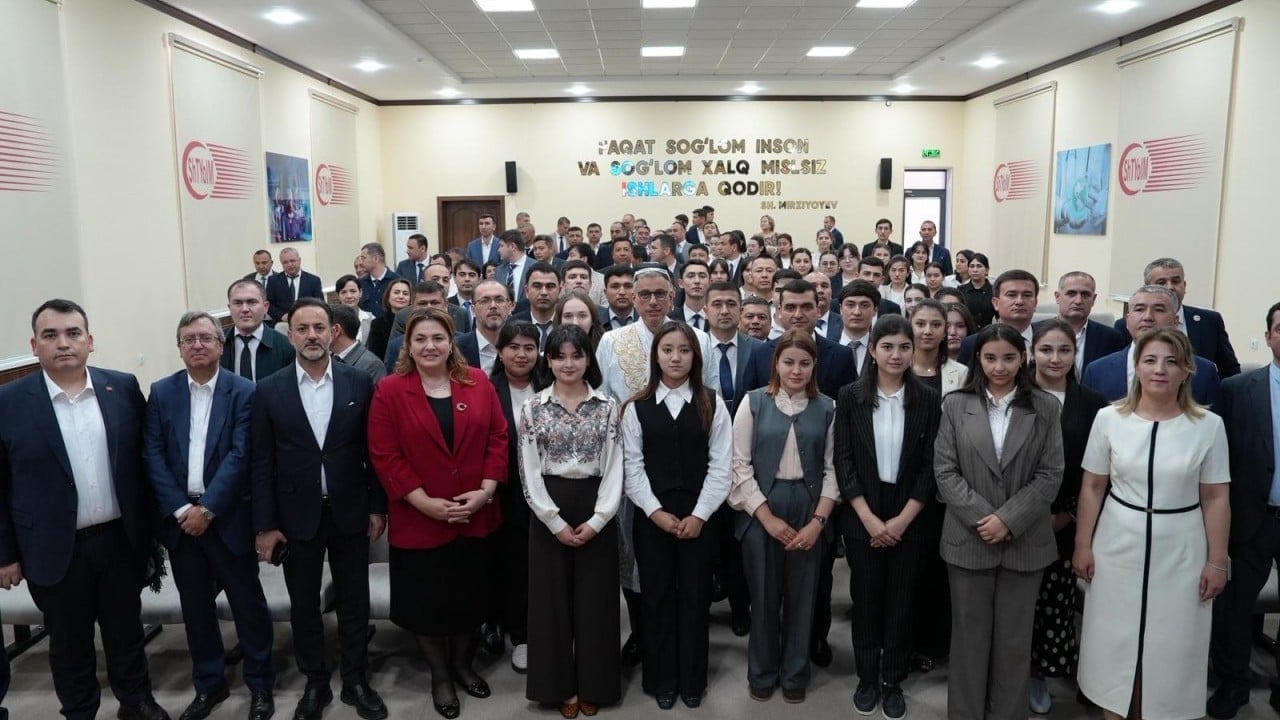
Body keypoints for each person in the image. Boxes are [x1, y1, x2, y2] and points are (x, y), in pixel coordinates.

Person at [0, 299, 168, 720]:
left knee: (126, 631)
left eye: (73, 333)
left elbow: (142, 466)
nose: (63, 343)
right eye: (50, 335)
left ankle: (136, 701)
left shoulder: (122, 388)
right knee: (69, 641)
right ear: (34, 345)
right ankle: (79, 711)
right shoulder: (9, 402)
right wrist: (5, 554)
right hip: (53, 548)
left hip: (119, 541)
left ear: (90, 341)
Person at [1074, 327, 1230, 720]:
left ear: (1186, 370)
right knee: (1113, 645)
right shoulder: (1109, 419)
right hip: (1117, 543)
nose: (1160, 369)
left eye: (1171, 361)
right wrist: (1082, 545)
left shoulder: (1208, 426)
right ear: (1136, 367)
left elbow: (1216, 497)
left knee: (1171, 646)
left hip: (1181, 548)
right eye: (1150, 360)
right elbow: (1093, 486)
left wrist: (1217, 561)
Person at [250, 298, 389, 720]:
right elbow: (261, 462)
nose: (312, 335)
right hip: (296, 516)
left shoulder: (358, 383)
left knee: (354, 600)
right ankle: (315, 682)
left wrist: (377, 506)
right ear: (290, 335)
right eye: (303, 328)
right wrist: (265, 525)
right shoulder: (268, 389)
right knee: (305, 604)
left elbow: (372, 451)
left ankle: (356, 679)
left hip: (350, 510)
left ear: (333, 332)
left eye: (319, 328)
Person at [367, 307, 507, 719]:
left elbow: (498, 438)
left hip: (475, 513)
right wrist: (423, 502)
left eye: (438, 338)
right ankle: (440, 675)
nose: (430, 346)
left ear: (452, 343)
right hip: (420, 519)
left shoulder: (477, 382)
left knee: (469, 599)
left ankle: (463, 664)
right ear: (408, 346)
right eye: (421, 339)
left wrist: (486, 491)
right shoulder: (390, 390)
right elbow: (384, 454)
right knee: (427, 605)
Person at [142, 312, 274, 720]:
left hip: (229, 517)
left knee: (247, 606)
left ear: (221, 344)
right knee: (196, 609)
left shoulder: (245, 391)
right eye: (189, 339)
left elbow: (241, 454)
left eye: (205, 338)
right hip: (182, 523)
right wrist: (184, 510)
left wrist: (208, 508)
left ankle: (260, 685)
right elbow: (153, 454)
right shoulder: (161, 392)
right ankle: (209, 685)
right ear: (179, 347)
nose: (197, 345)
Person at [933, 323, 1065, 720]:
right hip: (968, 537)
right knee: (969, 639)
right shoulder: (955, 404)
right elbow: (945, 471)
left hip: (1025, 539)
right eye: (990, 358)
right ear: (978, 359)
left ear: (1023, 358)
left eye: (1009, 357)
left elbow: (1050, 474)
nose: (1000, 366)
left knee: (1014, 641)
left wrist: (1008, 520)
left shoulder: (1045, 406)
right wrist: (983, 518)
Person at [834, 315, 941, 719]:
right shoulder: (850, 396)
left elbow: (931, 466)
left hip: (910, 514)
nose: (896, 355)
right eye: (888, 347)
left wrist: (902, 520)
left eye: (904, 347)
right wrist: (868, 519)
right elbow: (843, 460)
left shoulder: (927, 398)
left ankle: (892, 680)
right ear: (873, 351)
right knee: (866, 600)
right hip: (862, 512)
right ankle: (867, 677)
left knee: (901, 601)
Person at [621, 322, 732, 709]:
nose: (675, 357)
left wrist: (700, 515)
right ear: (655, 356)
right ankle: (661, 679)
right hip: (653, 518)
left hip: (700, 517)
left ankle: (692, 680)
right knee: (657, 597)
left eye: (684, 351)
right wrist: (655, 512)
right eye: (667, 350)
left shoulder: (711, 403)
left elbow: (721, 467)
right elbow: (631, 468)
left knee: (695, 597)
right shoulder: (636, 407)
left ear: (695, 358)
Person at [520, 325, 625, 718]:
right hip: (549, 507)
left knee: (597, 602)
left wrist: (600, 519)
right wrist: (553, 521)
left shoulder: (608, 406)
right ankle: (558, 687)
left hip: (597, 506)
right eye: (559, 356)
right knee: (550, 604)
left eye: (576, 355)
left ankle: (596, 684)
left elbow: (615, 466)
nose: (568, 363)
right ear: (548, 361)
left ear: (588, 359)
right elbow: (528, 470)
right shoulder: (533, 407)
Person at [730, 330, 838, 703]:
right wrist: (766, 517)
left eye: (804, 363)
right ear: (776, 363)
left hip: (809, 507)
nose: (796, 370)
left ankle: (794, 673)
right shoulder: (753, 403)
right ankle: (761, 671)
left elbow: (833, 470)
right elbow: (739, 465)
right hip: (762, 504)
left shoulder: (828, 407)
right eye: (789, 362)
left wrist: (818, 522)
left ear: (814, 366)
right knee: (762, 596)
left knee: (802, 597)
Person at [1025, 319, 1108, 714]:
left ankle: (1039, 673)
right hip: (1016, 519)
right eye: (1046, 350)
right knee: (1017, 604)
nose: (1054, 358)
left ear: (1076, 354)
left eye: (1064, 350)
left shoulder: (1092, 403)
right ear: (1032, 352)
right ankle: (1011, 672)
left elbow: (1097, 469)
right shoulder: (1015, 394)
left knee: (1052, 603)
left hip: (1064, 521)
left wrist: (1066, 514)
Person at [1208, 301, 1280, 719]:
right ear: (1268, 336)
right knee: (1234, 610)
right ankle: (1233, 685)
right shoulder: (1237, 390)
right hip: (1252, 517)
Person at [487, 322, 545, 675]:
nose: (521, 355)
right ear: (500, 351)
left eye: (529, 347)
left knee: (542, 568)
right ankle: (517, 634)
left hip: (547, 492)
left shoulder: (551, 384)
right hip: (502, 494)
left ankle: (539, 632)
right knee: (511, 567)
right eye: (513, 347)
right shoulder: (485, 389)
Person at [1081, 285, 1221, 407]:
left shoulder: (1204, 371)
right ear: (1127, 320)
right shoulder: (1097, 371)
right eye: (1140, 309)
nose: (1148, 317)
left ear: (1175, 321)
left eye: (1159, 310)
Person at [1114, 258, 1241, 378]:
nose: (1170, 287)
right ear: (1148, 288)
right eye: (1161, 282)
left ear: (1184, 285)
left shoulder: (1209, 321)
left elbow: (1229, 370)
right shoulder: (1127, 325)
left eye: (1175, 281)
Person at [1044, 271, 1126, 374]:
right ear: (1057, 297)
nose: (1078, 301)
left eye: (1085, 294)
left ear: (1093, 299)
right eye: (1071, 294)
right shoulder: (1037, 331)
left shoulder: (1111, 338)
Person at [222, 279, 295, 382]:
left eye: (252, 302)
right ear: (230, 308)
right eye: (237, 303)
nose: (245, 309)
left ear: (265, 307)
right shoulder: (217, 343)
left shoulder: (286, 347)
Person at [910, 299, 968, 396]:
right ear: (910, 328)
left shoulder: (961, 373)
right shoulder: (896, 368)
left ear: (945, 332)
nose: (928, 331)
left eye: (936, 325)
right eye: (920, 324)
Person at [329, 304, 387, 383]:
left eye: (320, 328)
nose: (314, 335)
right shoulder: (327, 360)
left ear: (336, 330)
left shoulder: (372, 365)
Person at [265, 247, 324, 324]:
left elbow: (320, 304)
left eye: (292, 261)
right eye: (285, 262)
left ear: (299, 260)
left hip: (307, 322)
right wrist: (281, 316)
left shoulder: (314, 280)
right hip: (282, 323)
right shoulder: (273, 281)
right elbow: (269, 304)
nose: (289, 264)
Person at [366, 278, 413, 360]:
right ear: (388, 297)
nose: (401, 296)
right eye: (396, 292)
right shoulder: (377, 324)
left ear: (411, 299)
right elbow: (375, 355)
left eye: (405, 293)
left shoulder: (416, 322)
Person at [358, 242, 401, 319]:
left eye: (363, 258)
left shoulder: (397, 282)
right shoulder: (360, 283)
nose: (361, 262)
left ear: (375, 258)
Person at [957, 252, 994, 328]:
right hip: (967, 331)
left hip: (987, 332)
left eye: (979, 266)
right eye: (972, 266)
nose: (975, 270)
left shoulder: (993, 291)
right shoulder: (961, 290)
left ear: (987, 270)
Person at [335, 274, 374, 344]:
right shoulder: (331, 321)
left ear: (360, 292)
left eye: (353, 291)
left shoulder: (371, 319)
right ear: (338, 295)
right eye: (343, 292)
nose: (349, 296)